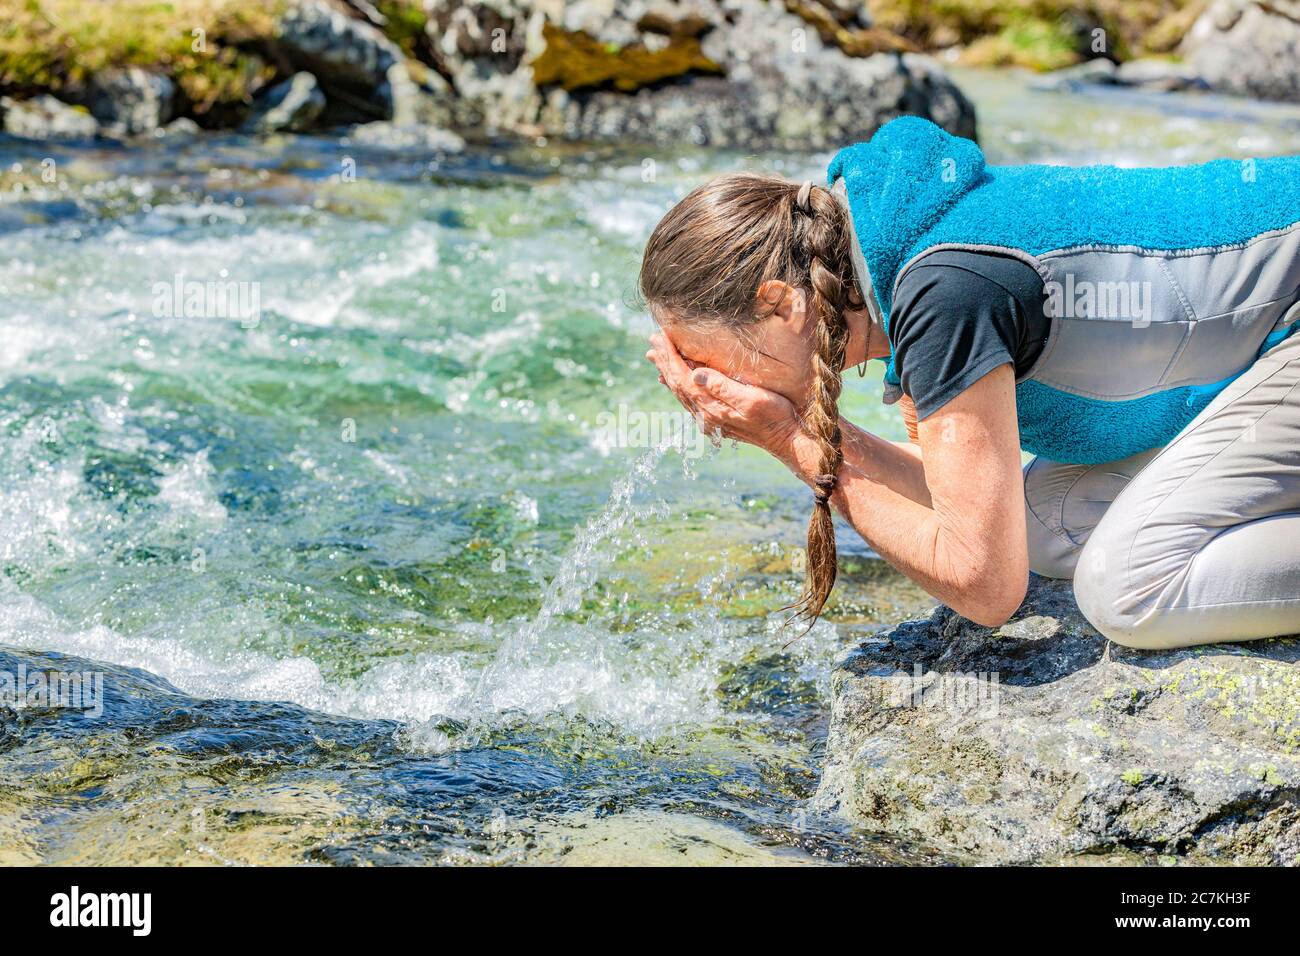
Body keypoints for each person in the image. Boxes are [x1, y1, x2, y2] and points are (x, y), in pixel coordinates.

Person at [641, 117, 1300, 649]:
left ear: (782, 304)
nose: (704, 385)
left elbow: (985, 586)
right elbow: (957, 507)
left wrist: (789, 437)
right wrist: (809, 429)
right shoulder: (897, 254)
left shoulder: (945, 289)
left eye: (705, 361)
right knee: (1045, 524)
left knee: (1130, 588)